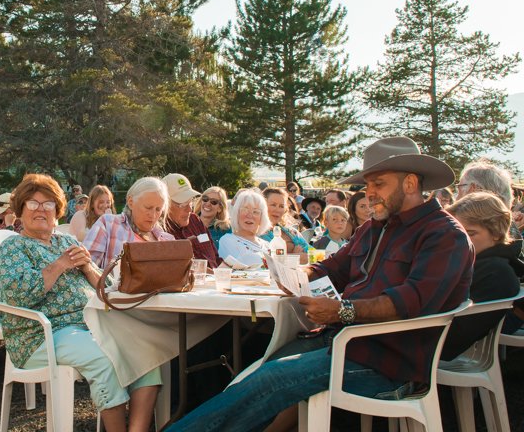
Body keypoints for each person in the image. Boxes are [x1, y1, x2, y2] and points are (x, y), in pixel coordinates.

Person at [169, 136, 473, 432]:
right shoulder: (374, 228)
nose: (369, 193)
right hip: (342, 341)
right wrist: (287, 274)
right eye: (367, 185)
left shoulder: (445, 235)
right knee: (254, 370)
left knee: (269, 379)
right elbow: (333, 267)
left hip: (389, 363)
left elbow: (413, 301)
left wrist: (342, 312)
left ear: (410, 183)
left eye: (378, 184)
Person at [0, 173, 160, 432]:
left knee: (148, 354)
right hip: (41, 334)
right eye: (32, 203)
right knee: (105, 358)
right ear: (20, 209)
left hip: (90, 325)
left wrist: (88, 269)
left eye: (48, 204)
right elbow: (18, 296)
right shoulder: (13, 248)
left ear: (57, 210)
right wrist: (60, 264)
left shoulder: (67, 241)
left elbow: (107, 287)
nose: (40, 210)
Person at [442, 192, 524, 356]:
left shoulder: (496, 273)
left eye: (470, 233)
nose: (460, 239)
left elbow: (453, 340)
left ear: (496, 233)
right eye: (456, 232)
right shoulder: (477, 262)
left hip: (434, 351)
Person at [84, 176, 174, 268]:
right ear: (131, 202)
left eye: (158, 209)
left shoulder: (168, 240)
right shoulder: (108, 224)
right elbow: (85, 268)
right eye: (148, 207)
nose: (153, 215)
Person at [163, 173, 221, 269]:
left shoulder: (195, 221)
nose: (189, 209)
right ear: (165, 205)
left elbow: (216, 259)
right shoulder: (161, 232)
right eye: (183, 204)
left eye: (190, 202)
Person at [217, 190, 271, 267]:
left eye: (255, 212)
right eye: (245, 210)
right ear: (237, 214)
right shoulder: (227, 240)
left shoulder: (267, 245)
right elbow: (242, 267)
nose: (249, 215)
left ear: (262, 218)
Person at [259, 187, 310, 255]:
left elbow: (312, 252)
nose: (277, 210)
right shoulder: (259, 234)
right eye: (273, 205)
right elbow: (271, 258)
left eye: (281, 206)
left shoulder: (292, 232)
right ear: (263, 206)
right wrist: (294, 256)